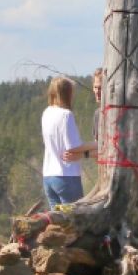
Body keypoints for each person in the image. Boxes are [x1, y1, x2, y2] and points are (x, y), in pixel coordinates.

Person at [42, 76, 84, 209]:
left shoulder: (46, 113)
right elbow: (74, 147)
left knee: (59, 224)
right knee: (74, 222)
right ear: (67, 94)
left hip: (48, 176)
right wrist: (97, 145)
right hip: (67, 175)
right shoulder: (66, 115)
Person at [63, 68, 102, 164]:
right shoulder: (98, 114)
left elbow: (106, 147)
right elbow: (98, 145)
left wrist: (80, 154)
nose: (97, 91)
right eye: (95, 87)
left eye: (100, 88)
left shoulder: (118, 113)